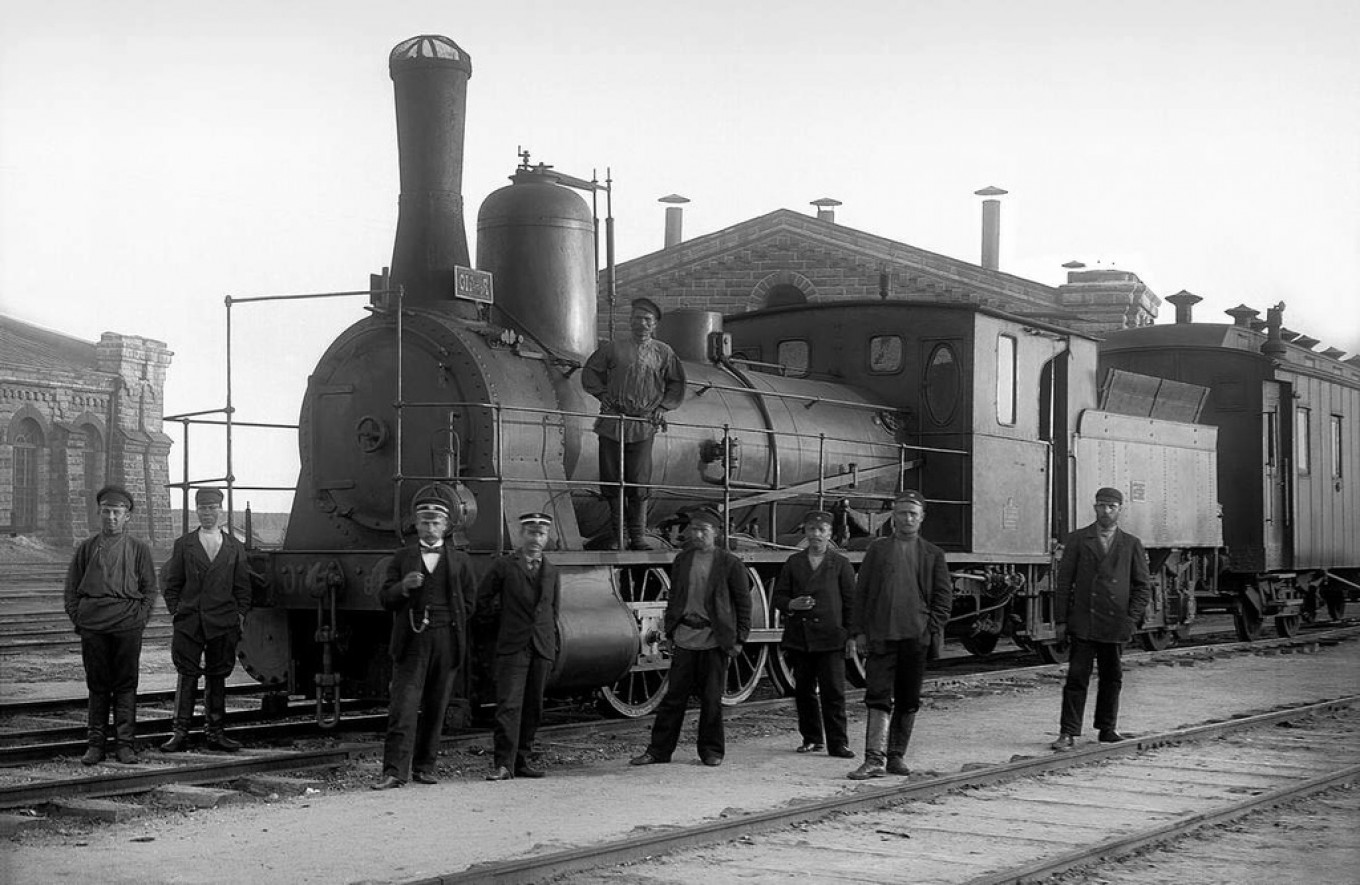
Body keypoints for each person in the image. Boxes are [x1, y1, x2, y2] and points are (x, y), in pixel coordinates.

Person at [372, 486, 478, 789]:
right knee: (403, 706)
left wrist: (450, 619)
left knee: (436, 705)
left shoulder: (460, 561)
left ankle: (425, 767)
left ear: (445, 526)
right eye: (424, 522)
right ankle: (394, 771)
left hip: (446, 638)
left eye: (436, 523)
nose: (430, 527)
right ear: (416, 525)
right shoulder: (402, 557)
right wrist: (403, 587)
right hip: (412, 639)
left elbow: (470, 602)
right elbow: (385, 598)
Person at [630, 507, 751, 767]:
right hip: (685, 637)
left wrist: (740, 639)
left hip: (714, 639)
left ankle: (711, 751)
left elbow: (743, 604)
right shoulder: (683, 560)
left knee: (711, 699)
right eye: (694, 529)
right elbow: (675, 597)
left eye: (703, 530)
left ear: (716, 533)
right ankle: (658, 751)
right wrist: (670, 631)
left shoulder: (731, 564)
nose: (697, 535)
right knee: (673, 699)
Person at [846, 490, 953, 779]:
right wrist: (858, 632)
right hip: (882, 637)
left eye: (912, 514)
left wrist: (929, 630)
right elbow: (863, 593)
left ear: (921, 518)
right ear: (893, 516)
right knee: (878, 696)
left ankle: (896, 757)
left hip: (915, 639)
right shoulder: (878, 550)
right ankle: (873, 759)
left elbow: (944, 599)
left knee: (908, 699)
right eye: (901, 512)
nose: (906, 518)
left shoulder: (933, 554)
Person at [1050, 487, 1152, 750]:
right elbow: (1064, 583)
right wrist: (1061, 621)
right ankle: (1068, 732)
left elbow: (1142, 587)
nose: (1106, 511)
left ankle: (1107, 729)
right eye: (1101, 506)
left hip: (1115, 622)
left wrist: (1130, 619)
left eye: (1112, 507)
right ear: (1094, 507)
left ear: (1120, 509)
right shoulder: (1077, 540)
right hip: (1085, 620)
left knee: (1112, 677)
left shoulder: (1131, 544)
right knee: (1077, 678)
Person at [63, 485, 159, 765]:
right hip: (93, 625)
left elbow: (150, 590)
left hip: (127, 625)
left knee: (126, 684)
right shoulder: (87, 548)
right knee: (97, 684)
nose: (111, 518)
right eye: (106, 512)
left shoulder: (138, 549)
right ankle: (95, 745)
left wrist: (138, 620)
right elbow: (71, 589)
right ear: (99, 513)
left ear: (127, 516)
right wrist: (79, 616)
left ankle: (125, 746)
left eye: (117, 512)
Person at [582, 296, 687, 550]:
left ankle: (638, 536)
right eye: (637, 318)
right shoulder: (613, 348)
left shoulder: (664, 352)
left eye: (647, 319)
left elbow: (676, 383)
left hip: (643, 425)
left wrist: (663, 407)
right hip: (612, 423)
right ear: (630, 321)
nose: (641, 323)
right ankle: (619, 535)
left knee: (638, 481)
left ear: (654, 325)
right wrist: (603, 396)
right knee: (612, 481)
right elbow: (590, 372)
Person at [159, 487, 253, 753]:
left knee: (217, 676)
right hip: (190, 621)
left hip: (223, 622)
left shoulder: (234, 547)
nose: (208, 513)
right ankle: (179, 733)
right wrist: (177, 610)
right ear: (196, 510)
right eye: (203, 508)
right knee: (187, 675)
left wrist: (239, 614)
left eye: (212, 508)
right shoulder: (184, 544)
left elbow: (243, 586)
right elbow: (172, 582)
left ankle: (216, 733)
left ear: (221, 511)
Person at [476, 513, 561, 781]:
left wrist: (550, 643)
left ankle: (523, 760)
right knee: (508, 705)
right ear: (522, 535)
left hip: (541, 646)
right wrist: (501, 625)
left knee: (533, 706)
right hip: (513, 644)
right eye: (531, 533)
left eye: (541, 534)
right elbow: (483, 600)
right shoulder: (504, 566)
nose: (536, 539)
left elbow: (553, 610)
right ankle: (504, 764)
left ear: (546, 538)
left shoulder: (552, 571)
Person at [771, 509, 856, 759]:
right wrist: (791, 604)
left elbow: (851, 603)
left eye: (821, 530)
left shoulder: (841, 564)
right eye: (811, 530)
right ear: (805, 533)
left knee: (834, 692)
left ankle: (838, 743)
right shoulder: (794, 563)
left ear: (829, 534)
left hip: (831, 638)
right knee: (804, 692)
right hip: (801, 638)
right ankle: (811, 738)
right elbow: (779, 597)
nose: (816, 535)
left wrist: (851, 636)